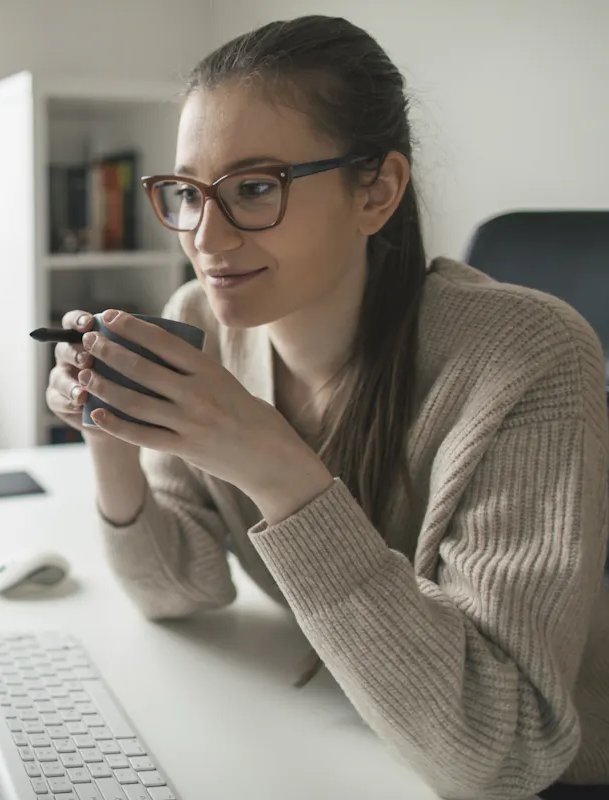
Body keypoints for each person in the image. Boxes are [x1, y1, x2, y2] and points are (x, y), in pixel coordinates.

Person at [45, 15, 609, 800]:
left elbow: (500, 749)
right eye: (186, 193)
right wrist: (109, 430)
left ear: (376, 191)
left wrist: (273, 466)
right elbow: (178, 589)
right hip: (340, 730)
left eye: (254, 188)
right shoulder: (200, 321)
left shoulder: (528, 354)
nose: (206, 237)